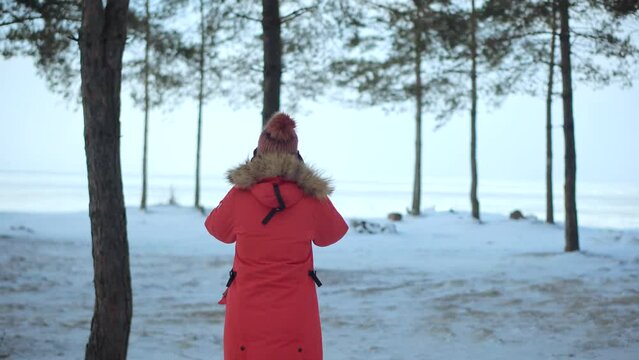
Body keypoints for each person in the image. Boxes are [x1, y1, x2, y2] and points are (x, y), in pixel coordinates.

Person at [205, 112, 348, 360]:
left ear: (258, 154)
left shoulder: (239, 195)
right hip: (296, 308)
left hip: (246, 306)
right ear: (296, 157)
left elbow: (216, 229)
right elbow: (331, 235)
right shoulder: (312, 197)